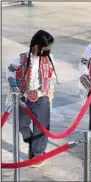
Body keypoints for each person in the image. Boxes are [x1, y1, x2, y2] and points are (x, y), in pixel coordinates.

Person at [6, 30, 58, 167]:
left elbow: (52, 78)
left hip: (42, 97)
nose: (47, 50)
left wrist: (47, 92)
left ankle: (38, 154)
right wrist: (14, 86)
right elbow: (9, 71)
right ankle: (31, 143)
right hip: (24, 96)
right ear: (36, 46)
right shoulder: (22, 58)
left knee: (41, 126)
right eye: (45, 47)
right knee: (22, 124)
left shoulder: (49, 58)